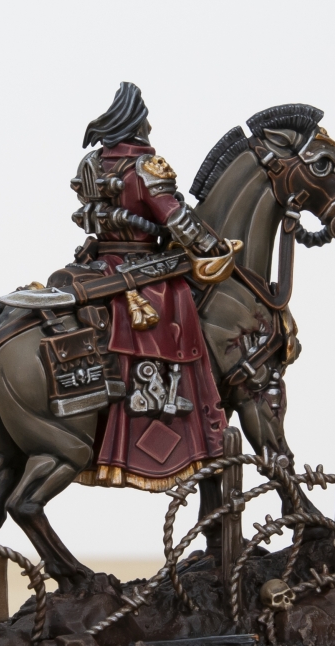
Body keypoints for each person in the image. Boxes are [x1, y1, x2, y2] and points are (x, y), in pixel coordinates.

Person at [71, 82, 229, 492]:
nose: (150, 126)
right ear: (137, 123)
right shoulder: (146, 165)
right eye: (146, 119)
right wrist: (212, 246)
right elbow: (173, 217)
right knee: (178, 309)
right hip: (142, 268)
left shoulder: (92, 163)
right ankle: (169, 405)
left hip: (98, 262)